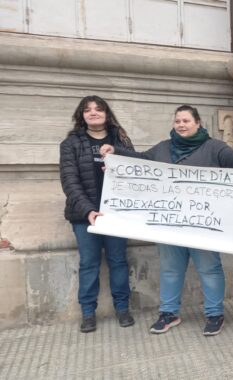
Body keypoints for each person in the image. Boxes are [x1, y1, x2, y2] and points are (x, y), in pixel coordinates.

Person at [100, 105, 233, 336]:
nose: (181, 125)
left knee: (209, 269)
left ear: (198, 123)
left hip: (203, 225)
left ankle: (215, 314)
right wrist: (115, 154)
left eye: (186, 120)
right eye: (178, 121)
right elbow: (140, 160)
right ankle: (169, 313)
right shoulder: (163, 148)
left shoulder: (213, 147)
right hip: (170, 225)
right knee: (170, 270)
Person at [60, 95, 135, 333]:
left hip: (116, 214)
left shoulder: (120, 139)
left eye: (98, 109)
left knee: (118, 261)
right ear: (81, 115)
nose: (93, 113)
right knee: (89, 264)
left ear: (106, 114)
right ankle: (88, 312)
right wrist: (88, 210)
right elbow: (69, 182)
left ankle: (122, 308)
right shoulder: (71, 143)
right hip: (85, 216)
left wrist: (118, 159)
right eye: (87, 110)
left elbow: (138, 169)